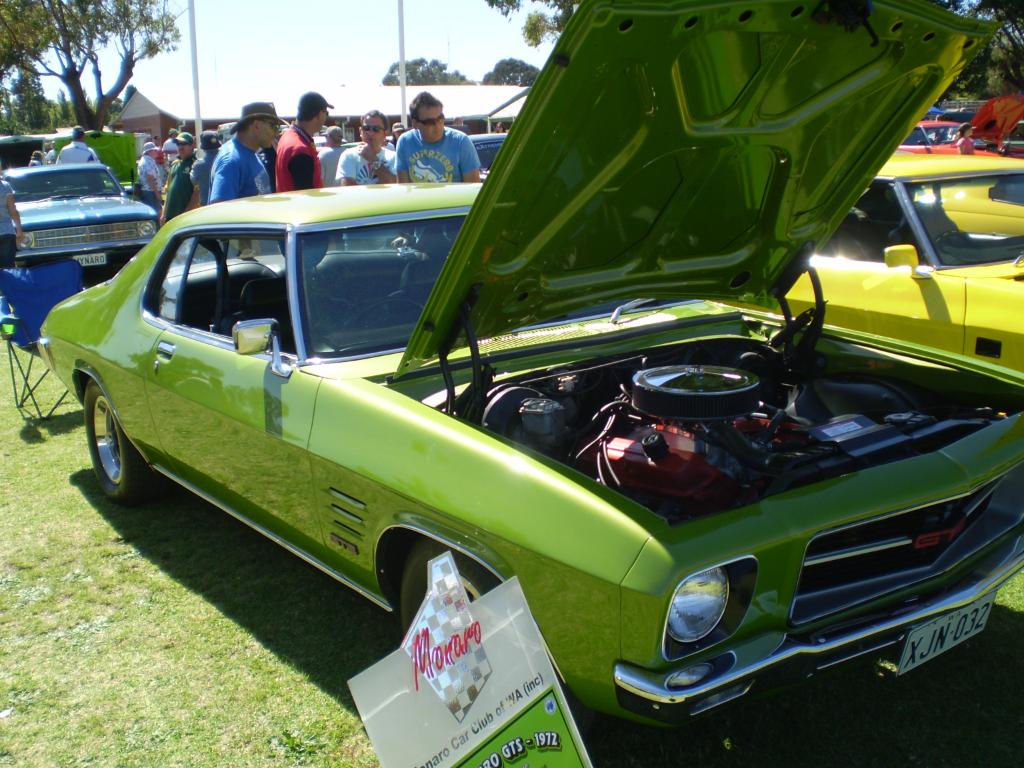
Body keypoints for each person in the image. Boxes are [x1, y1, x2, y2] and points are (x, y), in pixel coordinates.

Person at [396, 91, 480, 184]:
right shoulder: (404, 142)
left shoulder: (461, 142)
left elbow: (473, 188)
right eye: (429, 122)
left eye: (440, 118)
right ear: (415, 123)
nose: (437, 126)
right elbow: (404, 188)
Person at [209, 102, 284, 203]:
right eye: (273, 126)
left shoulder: (249, 154)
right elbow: (219, 211)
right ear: (256, 125)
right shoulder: (231, 161)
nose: (276, 132)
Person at [276, 91, 332, 192]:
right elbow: (307, 197)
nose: (326, 118)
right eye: (326, 113)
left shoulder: (288, 136)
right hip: (301, 206)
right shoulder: (300, 149)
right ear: (319, 115)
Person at [338, 110, 397, 186]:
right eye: (366, 128)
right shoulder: (349, 156)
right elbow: (348, 190)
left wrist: (373, 159)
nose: (370, 133)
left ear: (385, 134)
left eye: (376, 129)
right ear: (360, 131)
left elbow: (394, 184)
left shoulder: (394, 157)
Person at [160, 132, 198, 225]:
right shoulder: (175, 164)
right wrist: (163, 214)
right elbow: (168, 190)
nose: (180, 147)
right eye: (178, 144)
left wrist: (186, 215)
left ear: (192, 146)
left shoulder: (196, 165)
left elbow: (197, 193)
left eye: (184, 144)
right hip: (170, 217)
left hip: (186, 218)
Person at [190, 131, 221, 206]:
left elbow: (193, 180)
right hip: (226, 204)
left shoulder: (198, 165)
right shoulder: (227, 161)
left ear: (203, 147)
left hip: (207, 205)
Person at [0, 175, 24, 269]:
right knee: (8, 269)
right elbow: (13, 211)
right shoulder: (6, 186)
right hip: (7, 232)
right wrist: (19, 230)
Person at [136, 142, 163, 213]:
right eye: (155, 150)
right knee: (155, 212)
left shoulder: (146, 160)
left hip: (149, 191)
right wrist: (157, 194)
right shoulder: (147, 162)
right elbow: (150, 179)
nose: (157, 152)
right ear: (149, 151)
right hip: (151, 193)